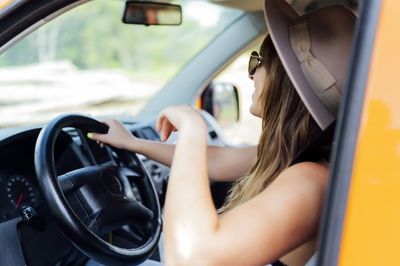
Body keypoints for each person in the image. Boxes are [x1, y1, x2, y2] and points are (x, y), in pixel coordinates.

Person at [88, 0, 355, 264]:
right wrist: (131, 142)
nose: (251, 75)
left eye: (258, 61)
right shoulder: (299, 154)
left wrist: (193, 130)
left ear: (285, 81)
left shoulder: (311, 180)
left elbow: (190, 259)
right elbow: (217, 161)